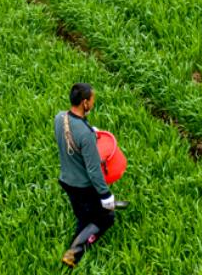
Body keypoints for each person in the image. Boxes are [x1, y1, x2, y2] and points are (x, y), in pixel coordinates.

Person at [55, 83, 126, 268]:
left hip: (66, 180)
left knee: (84, 218)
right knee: (106, 217)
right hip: (83, 186)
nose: (93, 104)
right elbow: (94, 170)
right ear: (85, 103)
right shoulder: (85, 137)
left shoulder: (59, 118)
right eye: (92, 101)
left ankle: (73, 251)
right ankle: (73, 254)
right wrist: (105, 195)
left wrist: (89, 129)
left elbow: (72, 132)